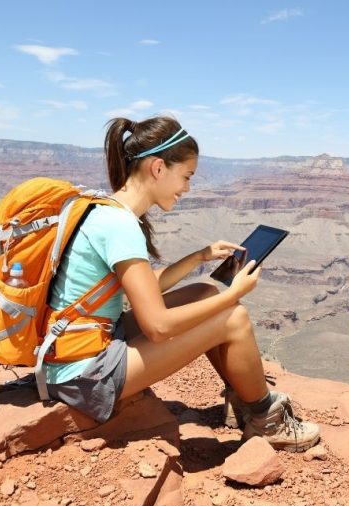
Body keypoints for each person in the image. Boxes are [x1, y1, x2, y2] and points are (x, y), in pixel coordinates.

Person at [41, 115, 319, 453]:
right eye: (186, 176)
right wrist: (235, 294)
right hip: (84, 375)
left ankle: (241, 396)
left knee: (204, 292)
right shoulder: (120, 226)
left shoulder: (107, 209)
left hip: (80, 346)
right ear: (158, 168)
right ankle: (267, 419)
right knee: (233, 317)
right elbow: (157, 326)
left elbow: (146, 286)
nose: (187, 188)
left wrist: (200, 256)